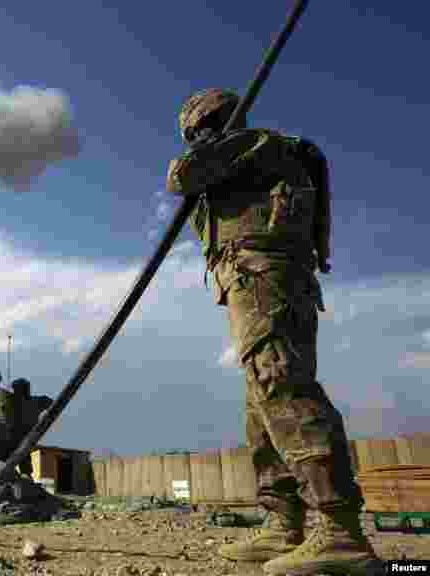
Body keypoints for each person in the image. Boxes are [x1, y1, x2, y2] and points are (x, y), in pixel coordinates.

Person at [165, 88, 378, 575]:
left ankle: (339, 531)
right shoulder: (250, 152)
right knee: (261, 403)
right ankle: (284, 523)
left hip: (263, 278)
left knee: (281, 387)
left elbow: (181, 176)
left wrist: (201, 152)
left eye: (197, 130)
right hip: (257, 280)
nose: (195, 138)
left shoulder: (255, 143)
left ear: (207, 123)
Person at [11, 378, 51, 476]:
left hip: (26, 436)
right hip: (19, 436)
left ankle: (26, 475)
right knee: (19, 459)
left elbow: (50, 402)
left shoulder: (35, 401)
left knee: (23, 460)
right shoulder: (13, 403)